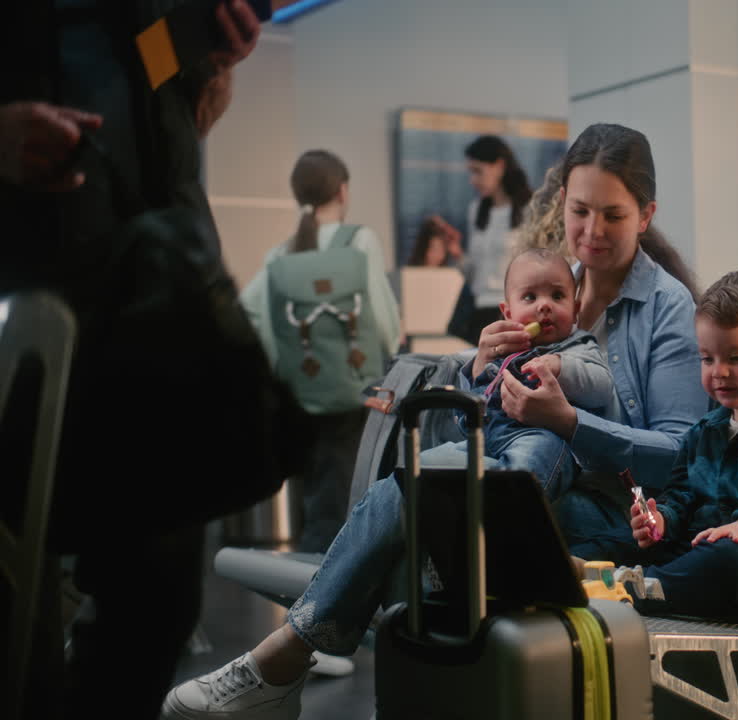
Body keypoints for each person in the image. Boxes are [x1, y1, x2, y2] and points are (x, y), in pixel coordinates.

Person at [160, 122, 706, 720]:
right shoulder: (553, 286)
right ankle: (290, 662)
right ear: (562, 203)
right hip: (524, 484)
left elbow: (681, 457)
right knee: (416, 491)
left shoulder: (669, 309)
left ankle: (280, 662)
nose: (592, 232)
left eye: (614, 216)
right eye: (580, 211)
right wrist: (480, 365)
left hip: (614, 515)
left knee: (429, 512)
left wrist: (570, 421)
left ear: (645, 215)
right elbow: (483, 400)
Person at [0, 2, 265, 718]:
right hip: (23, 302)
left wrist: (207, 65)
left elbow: (155, 104)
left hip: (148, 301)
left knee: (155, 600)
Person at [572, 269, 738, 620]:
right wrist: (662, 519)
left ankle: (628, 588)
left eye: (735, 358)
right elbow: (681, 494)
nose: (718, 371)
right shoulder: (704, 430)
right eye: (707, 358)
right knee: (619, 540)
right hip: (693, 557)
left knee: (728, 560)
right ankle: (570, 569)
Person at [239, 149, 401, 554]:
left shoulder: (281, 254)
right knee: (353, 488)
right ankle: (341, 593)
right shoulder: (359, 240)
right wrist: (389, 352)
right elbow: (382, 317)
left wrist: (282, 367)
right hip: (355, 386)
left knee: (317, 496)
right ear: (342, 191)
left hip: (302, 392)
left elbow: (250, 313)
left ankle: (312, 587)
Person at [416, 247, 615, 498]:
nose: (544, 306)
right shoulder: (500, 349)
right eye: (530, 297)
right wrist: (479, 368)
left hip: (544, 438)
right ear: (508, 312)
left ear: (575, 310)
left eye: (557, 295)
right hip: (484, 439)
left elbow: (601, 387)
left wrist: (558, 366)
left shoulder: (580, 347)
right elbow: (467, 415)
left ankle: (498, 517)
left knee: (528, 463)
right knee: (421, 469)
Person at [435, 135, 534, 345]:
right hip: (479, 310)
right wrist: (457, 253)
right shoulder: (476, 211)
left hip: (511, 310)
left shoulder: (530, 210)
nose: (473, 180)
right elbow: (473, 275)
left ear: (499, 166)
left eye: (477, 171)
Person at [404, 213, 473, 341]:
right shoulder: (410, 279)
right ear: (423, 248)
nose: (437, 255)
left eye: (441, 249)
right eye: (433, 249)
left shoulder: (450, 278)